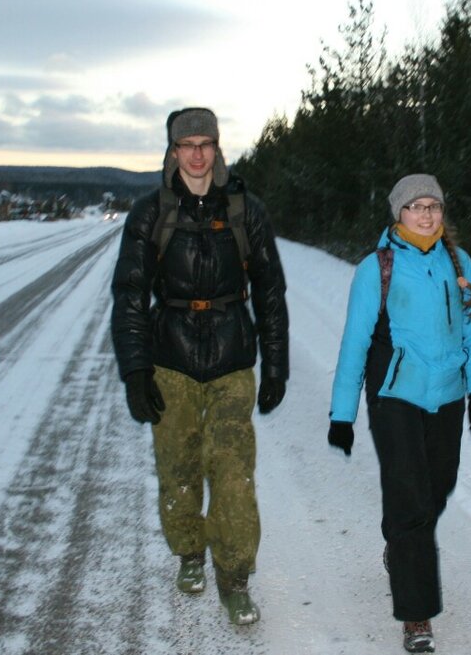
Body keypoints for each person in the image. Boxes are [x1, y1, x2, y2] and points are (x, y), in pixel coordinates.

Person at [110, 107, 289, 626]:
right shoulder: (150, 214)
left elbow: (271, 293)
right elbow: (129, 295)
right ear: (172, 151)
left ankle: (234, 578)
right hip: (172, 361)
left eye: (204, 143)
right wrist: (136, 371)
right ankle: (190, 552)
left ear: (217, 149)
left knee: (233, 473)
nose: (195, 153)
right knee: (179, 469)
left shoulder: (245, 210)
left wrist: (276, 365)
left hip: (233, 359)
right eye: (185, 144)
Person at [327, 174, 471, 654]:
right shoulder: (375, 269)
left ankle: (400, 544)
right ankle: (416, 615)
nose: (426, 215)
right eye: (416, 207)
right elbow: (355, 343)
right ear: (398, 214)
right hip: (395, 396)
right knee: (411, 502)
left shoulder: (459, 263)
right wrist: (343, 413)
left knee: (437, 487)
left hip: (448, 395)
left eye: (434, 206)